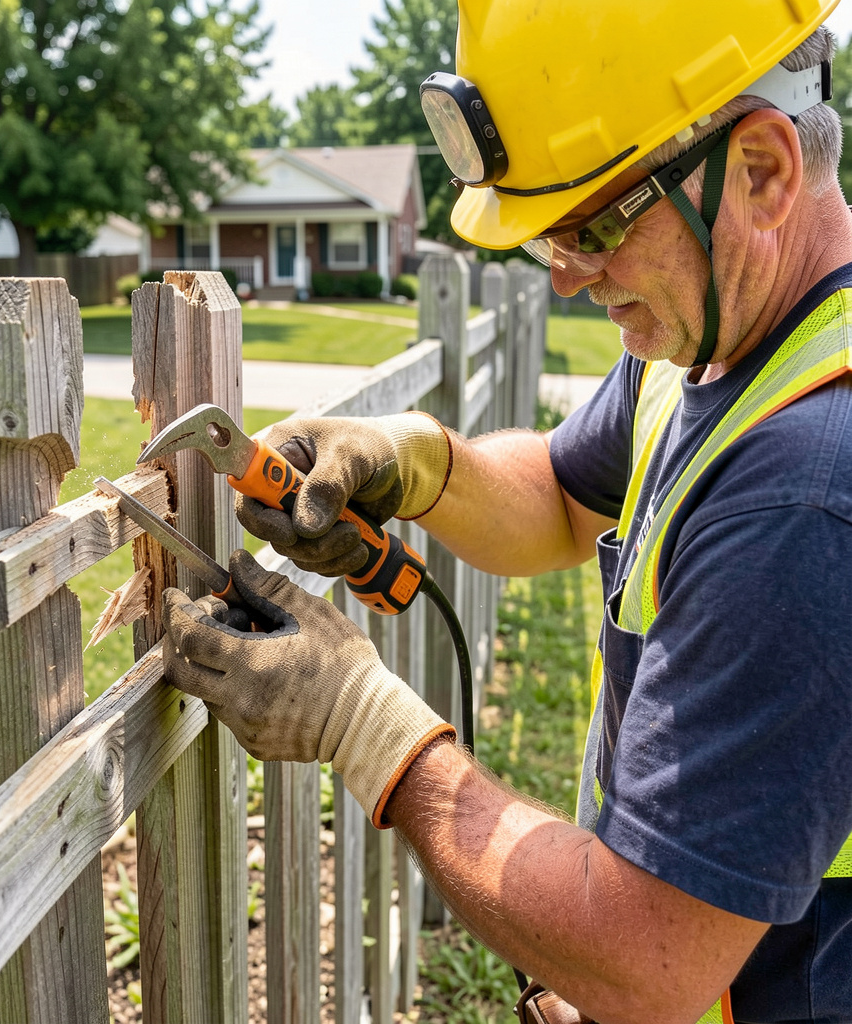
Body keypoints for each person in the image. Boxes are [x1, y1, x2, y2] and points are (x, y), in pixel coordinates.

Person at [161, 2, 852, 1021]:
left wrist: (365, 723)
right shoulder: (721, 344)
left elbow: (651, 961)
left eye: (596, 224)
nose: (569, 274)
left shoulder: (806, 486)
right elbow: (564, 500)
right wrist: (412, 461)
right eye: (547, 237)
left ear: (759, 171)